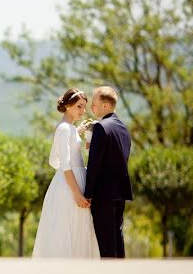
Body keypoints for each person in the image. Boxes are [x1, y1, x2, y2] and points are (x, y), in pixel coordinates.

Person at [31, 87, 100, 258]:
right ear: (68, 106)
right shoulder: (64, 129)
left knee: (77, 231)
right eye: (79, 106)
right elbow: (64, 164)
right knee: (67, 231)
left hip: (76, 181)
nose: (83, 111)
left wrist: (77, 132)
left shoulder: (69, 128)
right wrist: (76, 193)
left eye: (84, 107)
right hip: (69, 187)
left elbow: (60, 153)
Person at [84, 86, 133, 258]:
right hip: (120, 194)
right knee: (117, 240)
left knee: (106, 245)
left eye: (94, 104)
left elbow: (94, 165)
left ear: (105, 106)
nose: (92, 108)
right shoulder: (124, 129)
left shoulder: (100, 127)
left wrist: (87, 193)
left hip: (103, 195)